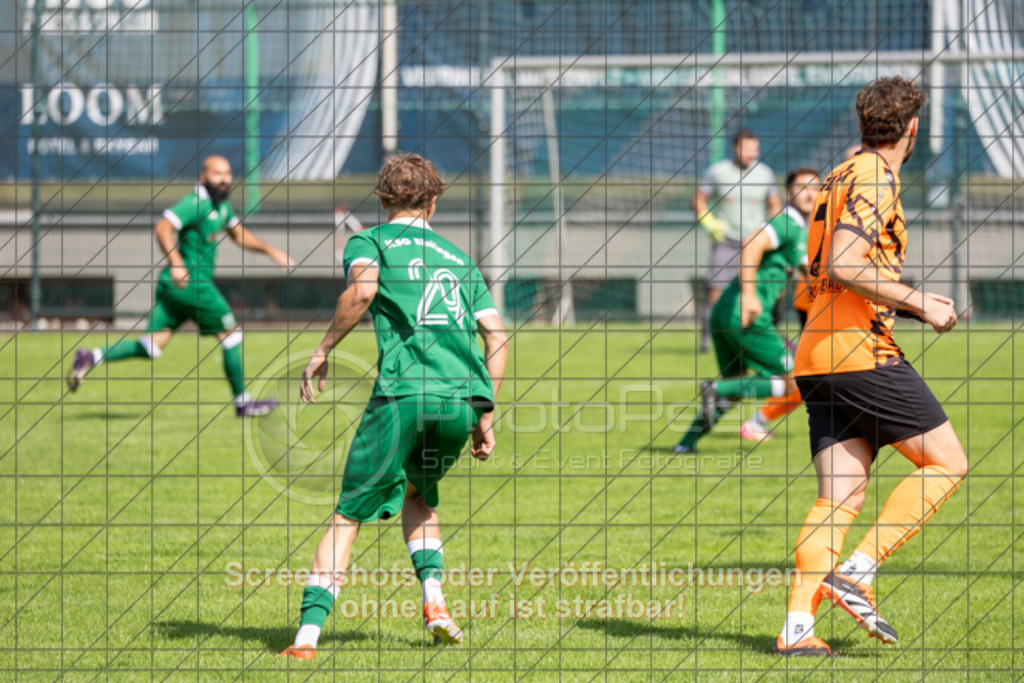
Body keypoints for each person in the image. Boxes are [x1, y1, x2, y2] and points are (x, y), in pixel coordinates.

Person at [280, 153, 508, 659]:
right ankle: (436, 603)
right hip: (459, 401)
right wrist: (485, 413)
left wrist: (322, 350)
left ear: (383, 199)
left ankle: (306, 639)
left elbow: (362, 291)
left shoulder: (370, 242)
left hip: (403, 394)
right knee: (417, 497)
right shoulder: (459, 258)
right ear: (433, 201)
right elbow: (497, 337)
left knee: (348, 514)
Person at [775, 77, 967, 657]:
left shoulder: (837, 175)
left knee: (839, 497)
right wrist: (920, 301)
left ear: (864, 124)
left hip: (817, 354)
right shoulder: (875, 177)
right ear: (913, 129)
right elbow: (843, 262)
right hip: (858, 353)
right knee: (947, 463)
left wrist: (898, 304)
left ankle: (797, 629)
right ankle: (858, 571)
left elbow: (838, 272)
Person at [66, 155, 292, 416]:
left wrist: (272, 251)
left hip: (174, 287)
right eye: (217, 174)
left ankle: (90, 356)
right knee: (232, 335)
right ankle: (243, 403)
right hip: (192, 284)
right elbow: (163, 228)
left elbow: (239, 234)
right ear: (203, 177)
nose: (224, 179)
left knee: (151, 346)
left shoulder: (221, 206)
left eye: (228, 174)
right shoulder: (195, 203)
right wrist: (176, 262)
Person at [673, 167, 820, 454]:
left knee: (736, 386)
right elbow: (751, 243)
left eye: (815, 188)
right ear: (788, 193)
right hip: (746, 314)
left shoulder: (799, 231)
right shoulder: (786, 223)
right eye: (802, 188)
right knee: (796, 380)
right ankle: (715, 390)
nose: (810, 194)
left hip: (725, 311)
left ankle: (684, 445)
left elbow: (809, 273)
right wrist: (750, 296)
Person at [694, 130, 783, 352]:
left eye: (755, 149)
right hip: (727, 242)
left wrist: (773, 229)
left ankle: (761, 335)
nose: (752, 153)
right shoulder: (717, 172)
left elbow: (775, 205)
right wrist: (710, 224)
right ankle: (709, 338)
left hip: (756, 244)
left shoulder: (765, 173)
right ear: (735, 148)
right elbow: (698, 201)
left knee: (766, 290)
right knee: (716, 291)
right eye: (747, 149)